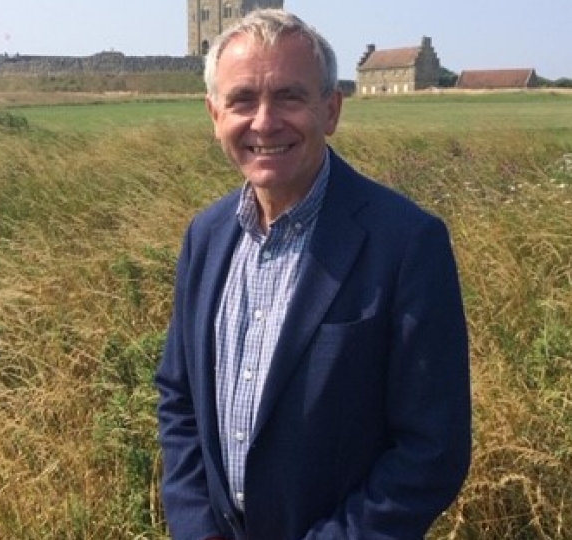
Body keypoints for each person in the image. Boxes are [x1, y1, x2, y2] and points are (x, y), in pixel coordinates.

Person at [155, 8, 471, 540]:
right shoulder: (205, 238)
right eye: (241, 101)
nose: (263, 122)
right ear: (214, 115)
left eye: (288, 97)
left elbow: (431, 450)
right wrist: (198, 530)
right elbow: (179, 399)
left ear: (330, 109)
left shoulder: (407, 243)